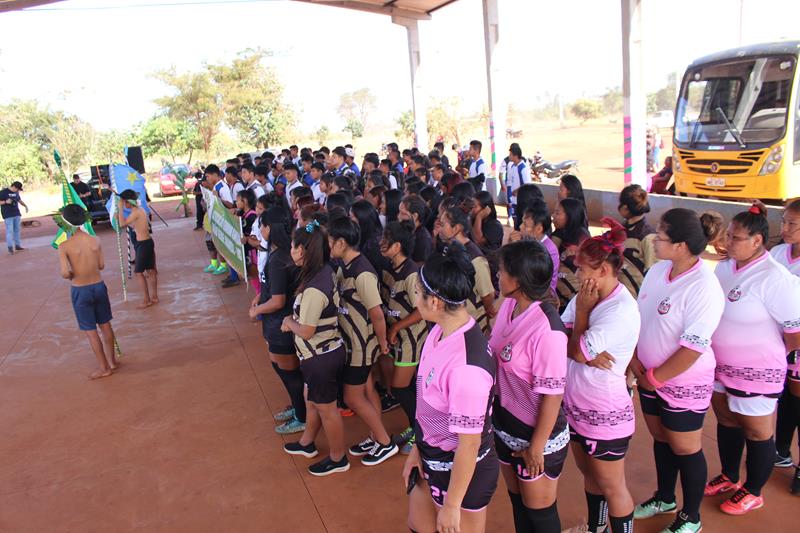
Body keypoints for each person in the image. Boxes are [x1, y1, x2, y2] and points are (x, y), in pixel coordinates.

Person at [630, 208, 725, 533]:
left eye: (662, 236)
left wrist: (654, 378)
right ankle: (665, 497)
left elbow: (693, 347)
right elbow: (643, 319)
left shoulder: (704, 286)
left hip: (680, 380)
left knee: (686, 447)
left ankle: (691, 516)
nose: (655, 239)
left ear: (682, 245)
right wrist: (635, 363)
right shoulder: (658, 271)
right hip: (648, 376)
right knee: (660, 437)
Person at [706, 203, 800, 514]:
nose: (727, 242)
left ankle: (754, 490)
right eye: (728, 236)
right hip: (721, 364)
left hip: (758, 369)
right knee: (726, 419)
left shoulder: (775, 277)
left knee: (757, 430)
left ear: (756, 241)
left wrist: (770, 355)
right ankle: (730, 475)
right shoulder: (724, 266)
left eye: (735, 237)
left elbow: (794, 329)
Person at [402, 242, 498, 533]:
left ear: (435, 303)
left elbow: (468, 444)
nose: (414, 298)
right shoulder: (439, 332)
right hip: (431, 458)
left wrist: (453, 505)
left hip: (461, 475)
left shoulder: (467, 368)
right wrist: (418, 447)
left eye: (418, 292)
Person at [561, 219, 640, 533]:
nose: (577, 275)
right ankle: (596, 529)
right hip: (578, 405)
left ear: (603, 271)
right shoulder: (586, 295)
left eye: (582, 269)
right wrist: (579, 344)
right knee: (590, 476)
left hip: (603, 410)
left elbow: (577, 351)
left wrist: (581, 318)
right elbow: (562, 336)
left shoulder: (619, 309)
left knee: (612, 485)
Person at [490, 240, 568, 533]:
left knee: (540, 514)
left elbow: (553, 394)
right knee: (519, 504)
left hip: (537, 437)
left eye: (502, 271)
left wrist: (536, 448)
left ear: (519, 280)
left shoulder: (547, 330)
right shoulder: (508, 304)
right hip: (506, 426)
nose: (498, 275)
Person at [328, 216, 398, 466]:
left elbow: (377, 313)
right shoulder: (344, 265)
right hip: (354, 342)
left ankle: (385, 442)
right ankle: (375, 436)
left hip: (362, 345)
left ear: (342, 243)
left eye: (330, 241)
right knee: (367, 391)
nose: (328, 244)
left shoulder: (363, 272)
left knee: (352, 397)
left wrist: (382, 345)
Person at [281, 221, 349, 476]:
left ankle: (338, 458)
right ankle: (307, 443)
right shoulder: (322, 273)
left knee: (327, 410)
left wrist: (289, 321)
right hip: (320, 354)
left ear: (304, 250)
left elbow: (306, 330)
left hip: (320, 357)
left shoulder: (313, 288)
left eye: (293, 246)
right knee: (313, 402)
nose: (291, 251)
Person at [249, 207, 306, 434]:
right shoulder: (280, 253)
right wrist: (259, 296)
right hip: (275, 324)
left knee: (291, 373)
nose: (260, 229)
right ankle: (297, 406)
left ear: (270, 229)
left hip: (280, 324)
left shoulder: (278, 259)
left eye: (262, 225)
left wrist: (256, 311)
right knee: (279, 365)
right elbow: (272, 287)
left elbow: (279, 300)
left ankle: (302, 416)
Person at [380, 220, 428, 454]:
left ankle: (420, 432)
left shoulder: (411, 274)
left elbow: (421, 311)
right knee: (405, 386)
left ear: (397, 246)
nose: (381, 244)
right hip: (398, 338)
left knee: (399, 387)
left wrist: (396, 327)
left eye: (386, 240)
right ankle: (416, 426)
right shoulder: (390, 269)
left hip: (412, 339)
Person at [58, 203, 120, 380]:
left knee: (91, 330)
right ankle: (112, 361)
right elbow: (101, 265)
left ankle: (104, 367)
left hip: (80, 289)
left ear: (66, 222)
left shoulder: (65, 246)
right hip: (98, 285)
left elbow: (64, 273)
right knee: (105, 324)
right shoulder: (95, 240)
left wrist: (71, 274)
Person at [771, 199, 800, 494]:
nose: (785, 228)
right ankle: (781, 450)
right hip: (776, 342)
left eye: (792, 223)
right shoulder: (778, 253)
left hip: (797, 340)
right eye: (784, 221)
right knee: (785, 400)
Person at [438, 203, 496, 334]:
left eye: (443, 224)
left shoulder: (476, 259)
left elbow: (488, 295)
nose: (439, 228)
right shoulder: (448, 248)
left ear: (456, 228)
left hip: (470, 325)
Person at [117, 190, 158, 308]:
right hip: (147, 242)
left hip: (143, 244)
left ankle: (147, 300)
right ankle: (154, 296)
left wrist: (119, 209)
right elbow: (130, 223)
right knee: (151, 270)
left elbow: (121, 224)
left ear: (128, 202)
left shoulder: (136, 212)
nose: (124, 204)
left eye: (124, 202)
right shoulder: (139, 211)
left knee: (139, 273)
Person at [617, 184, 657, 297]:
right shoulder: (621, 229)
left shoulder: (647, 236)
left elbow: (653, 272)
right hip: (619, 292)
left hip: (637, 297)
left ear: (625, 208)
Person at [552, 198, 591, 310]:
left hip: (576, 298)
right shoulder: (559, 233)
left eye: (557, 213)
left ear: (570, 215)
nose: (553, 216)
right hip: (560, 297)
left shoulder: (581, 236)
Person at [398, 195, 433, 264]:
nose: (398, 216)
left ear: (414, 216)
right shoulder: (406, 229)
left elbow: (419, 265)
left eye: (402, 213)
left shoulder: (423, 239)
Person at [1, 180, 28, 254]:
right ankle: (10, 247)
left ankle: (17, 245)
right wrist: (5, 202)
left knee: (17, 230)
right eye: (18, 189)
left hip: (16, 213)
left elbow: (19, 200)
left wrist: (25, 206)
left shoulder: (16, 192)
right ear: (14, 186)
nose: (18, 191)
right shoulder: (3, 192)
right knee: (10, 231)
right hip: (7, 214)